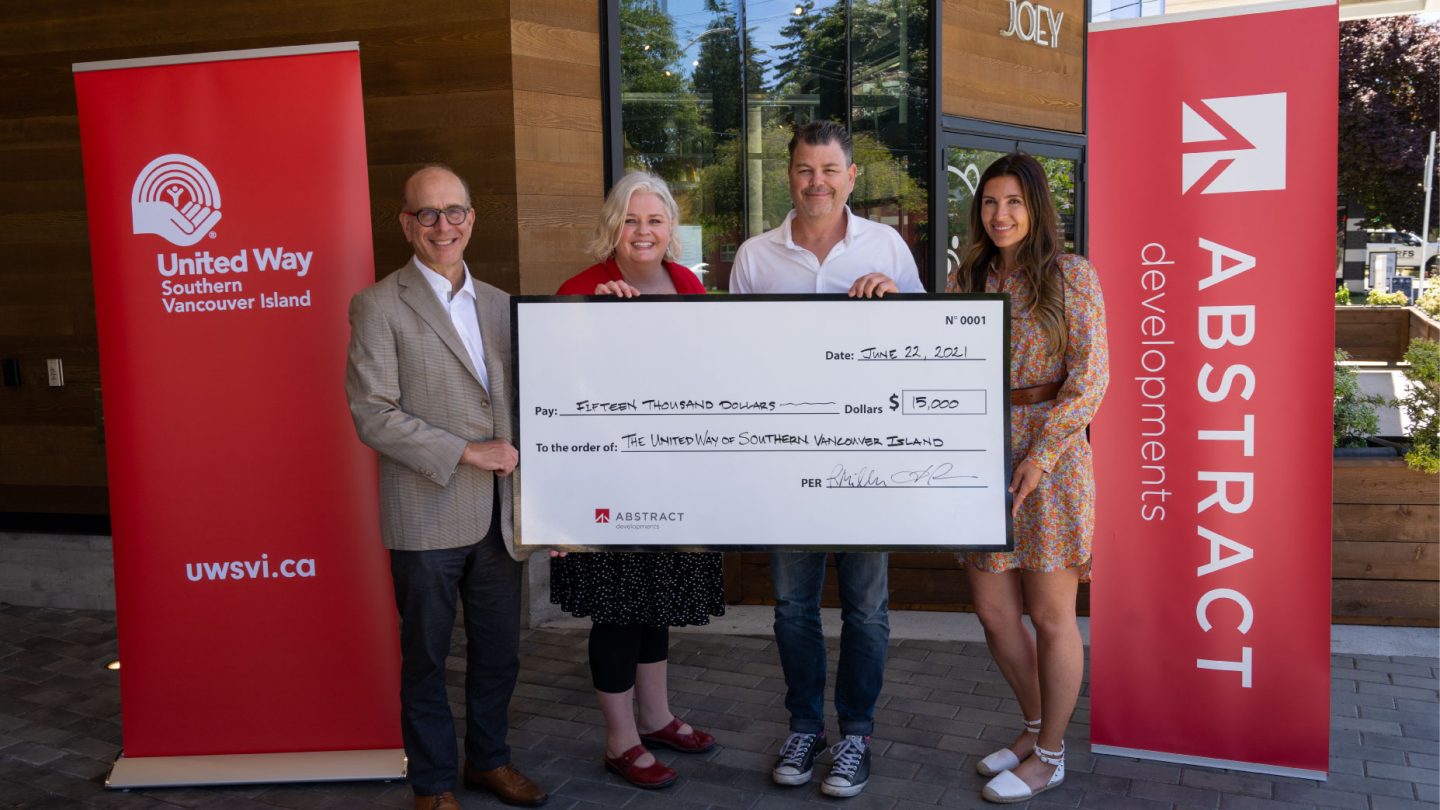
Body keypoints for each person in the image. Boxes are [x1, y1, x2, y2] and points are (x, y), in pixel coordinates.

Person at [729, 121, 924, 799]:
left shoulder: (887, 247)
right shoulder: (755, 257)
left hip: (867, 460)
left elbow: (924, 344)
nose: (818, 182)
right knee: (792, 607)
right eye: (806, 170)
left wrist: (893, 299)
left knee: (866, 609)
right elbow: (734, 356)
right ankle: (805, 727)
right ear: (789, 176)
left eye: (830, 170)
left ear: (851, 177)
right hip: (786, 463)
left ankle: (857, 736)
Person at [346, 165, 548, 810]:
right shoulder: (378, 304)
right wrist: (465, 451)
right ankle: (432, 784)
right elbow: (373, 414)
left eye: (454, 211)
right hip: (426, 512)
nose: (443, 226)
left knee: (498, 654)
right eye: (427, 214)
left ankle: (488, 760)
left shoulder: (501, 303)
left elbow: (533, 406)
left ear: (471, 219)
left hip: (500, 517)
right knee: (427, 659)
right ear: (406, 223)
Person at [549, 171, 724, 790]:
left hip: (674, 477)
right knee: (618, 609)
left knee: (658, 602)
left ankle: (656, 716)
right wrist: (593, 323)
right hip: (605, 481)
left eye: (654, 219)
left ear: (671, 227)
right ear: (612, 227)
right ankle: (621, 741)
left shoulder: (687, 286)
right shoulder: (581, 291)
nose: (642, 231)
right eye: (630, 219)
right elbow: (556, 394)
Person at [946, 153, 1108, 804]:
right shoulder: (966, 278)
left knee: (1050, 615)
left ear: (1036, 207)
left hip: (1054, 459)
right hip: (982, 450)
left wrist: (1040, 456)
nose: (1001, 214)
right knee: (993, 612)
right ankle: (1036, 727)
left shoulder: (1072, 275)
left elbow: (1090, 378)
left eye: (1014, 201)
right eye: (990, 201)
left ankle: (1051, 756)